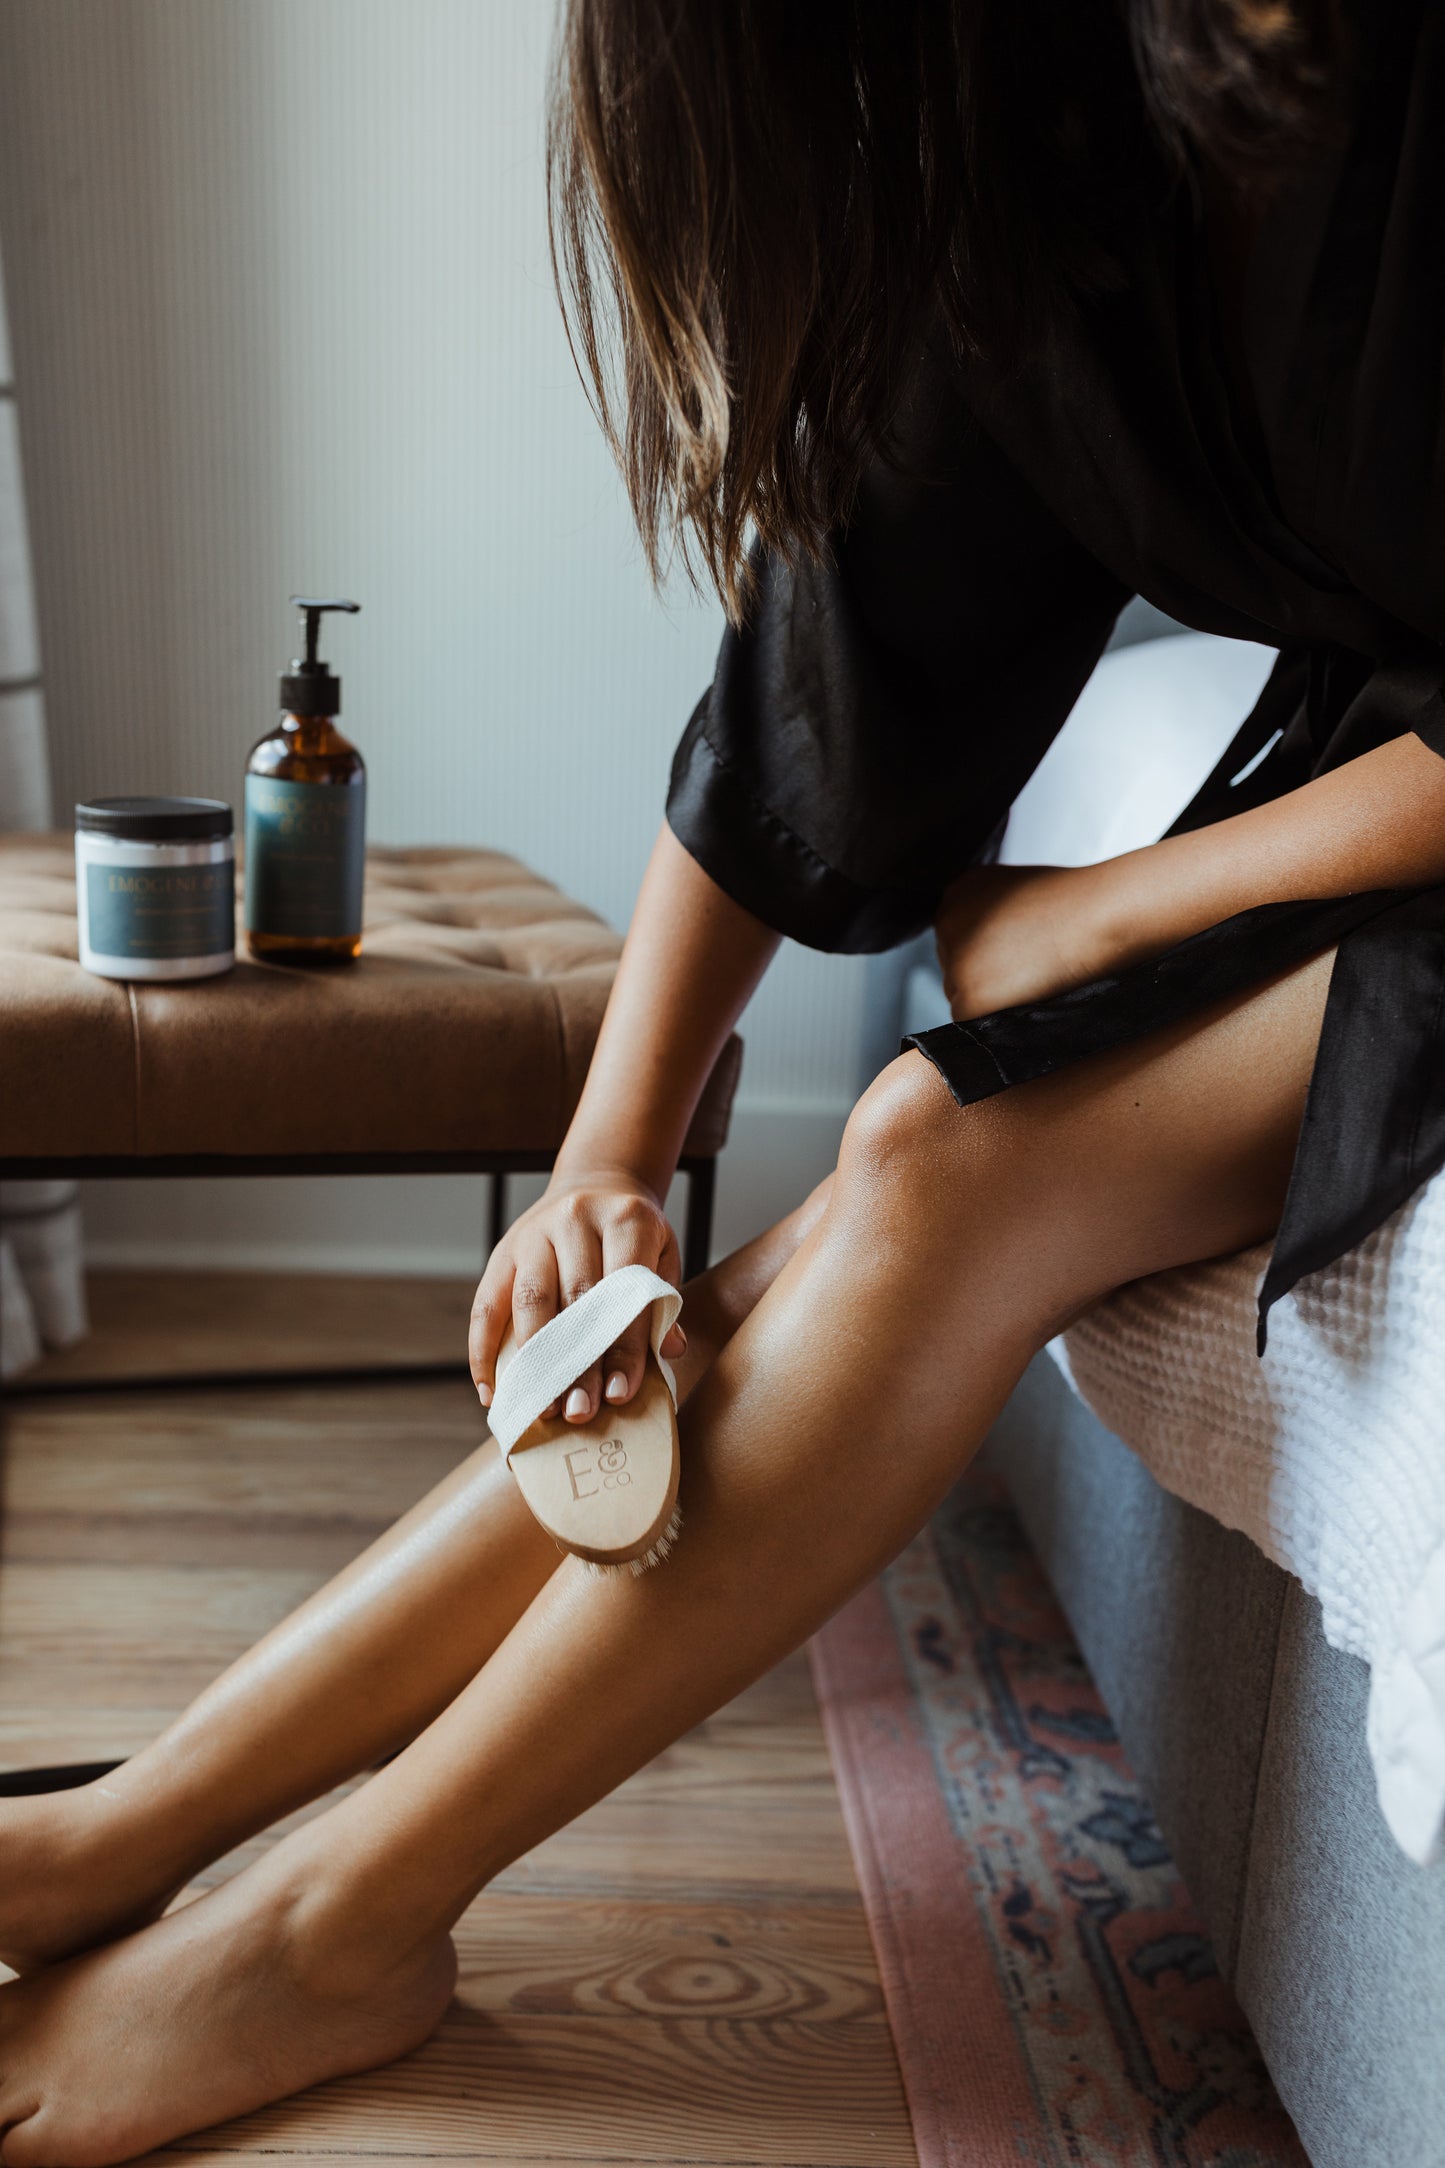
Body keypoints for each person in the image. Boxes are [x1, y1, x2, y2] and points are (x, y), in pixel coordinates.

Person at [3, 0, 1444, 2158]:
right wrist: (611, 1150)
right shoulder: (1057, 120)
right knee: (886, 1164)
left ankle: (331, 1927)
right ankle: (127, 1830)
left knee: (941, 1157)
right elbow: (843, 653)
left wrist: (1113, 912)